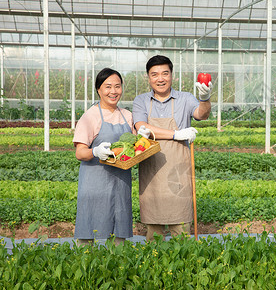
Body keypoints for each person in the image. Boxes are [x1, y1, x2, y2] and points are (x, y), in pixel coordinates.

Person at [133, 55, 212, 241]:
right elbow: (141, 127)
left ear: (172, 75)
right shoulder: (141, 101)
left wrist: (205, 99)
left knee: (182, 230)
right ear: (148, 77)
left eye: (164, 73)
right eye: (154, 74)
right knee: (154, 233)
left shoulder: (185, 98)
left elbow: (202, 114)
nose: (160, 78)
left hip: (178, 173)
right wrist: (176, 134)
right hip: (152, 173)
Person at [73, 68, 150, 246]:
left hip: (120, 181)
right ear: (98, 89)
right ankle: (84, 265)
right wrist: (95, 151)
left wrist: (143, 137)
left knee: (118, 231)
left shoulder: (127, 115)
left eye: (117, 86)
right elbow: (79, 152)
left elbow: (135, 145)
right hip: (95, 182)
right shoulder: (90, 116)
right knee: (88, 228)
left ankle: (116, 268)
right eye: (108, 87)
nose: (113, 91)